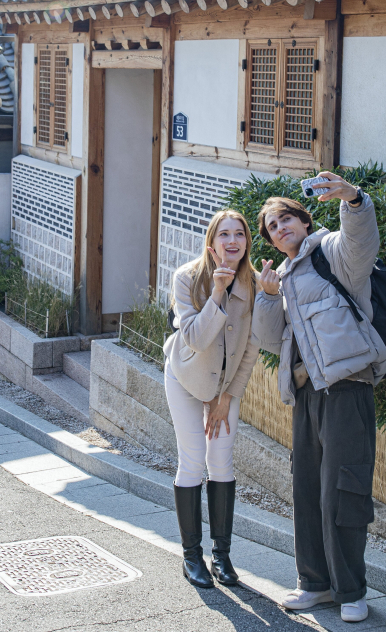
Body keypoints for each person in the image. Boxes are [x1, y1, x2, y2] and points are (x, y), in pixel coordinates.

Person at [254, 171, 386, 623]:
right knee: (308, 490)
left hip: (348, 388)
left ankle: (351, 590)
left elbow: (361, 240)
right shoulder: (285, 275)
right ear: (272, 242)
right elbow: (273, 342)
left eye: (286, 218)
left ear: (305, 221)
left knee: (343, 490)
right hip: (307, 393)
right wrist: (270, 298)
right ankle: (315, 583)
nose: (280, 228)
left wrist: (353, 199)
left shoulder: (331, 252)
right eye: (272, 227)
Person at [164, 209, 262, 589]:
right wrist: (218, 291)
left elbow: (251, 347)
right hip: (185, 376)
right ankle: (192, 557)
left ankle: (222, 556)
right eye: (225, 234)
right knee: (192, 462)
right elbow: (196, 339)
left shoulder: (253, 284)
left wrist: (227, 396)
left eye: (240, 234)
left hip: (225, 386)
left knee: (221, 461)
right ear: (212, 241)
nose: (233, 241)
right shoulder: (187, 278)